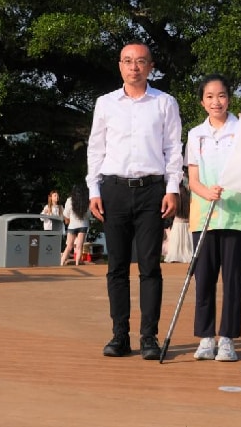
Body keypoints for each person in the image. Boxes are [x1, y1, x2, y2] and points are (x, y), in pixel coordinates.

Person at [86, 42, 183, 360]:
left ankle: (149, 336)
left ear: (150, 66)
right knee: (116, 266)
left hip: (152, 191)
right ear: (120, 66)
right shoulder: (105, 104)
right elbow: (95, 149)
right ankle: (119, 335)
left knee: (150, 266)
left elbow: (173, 148)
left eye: (140, 61)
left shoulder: (165, 103)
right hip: (113, 190)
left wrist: (172, 188)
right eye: (128, 61)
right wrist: (94, 190)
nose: (134, 67)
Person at [185, 74, 241, 362]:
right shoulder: (195, 135)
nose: (216, 102)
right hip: (205, 216)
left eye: (222, 95)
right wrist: (206, 192)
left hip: (237, 216)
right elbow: (193, 179)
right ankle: (205, 338)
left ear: (230, 98)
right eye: (210, 97)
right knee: (204, 279)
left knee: (233, 280)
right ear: (202, 102)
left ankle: (227, 339)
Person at [60, 184, 90, 266]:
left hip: (72, 225)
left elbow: (66, 213)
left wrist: (69, 218)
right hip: (83, 224)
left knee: (69, 246)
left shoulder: (70, 200)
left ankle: (61, 263)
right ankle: (77, 264)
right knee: (79, 246)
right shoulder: (86, 201)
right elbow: (89, 215)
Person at [164, 182, 193, 263]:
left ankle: (176, 257)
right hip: (187, 223)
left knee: (176, 245)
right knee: (188, 246)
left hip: (177, 223)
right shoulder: (188, 195)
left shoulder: (177, 194)